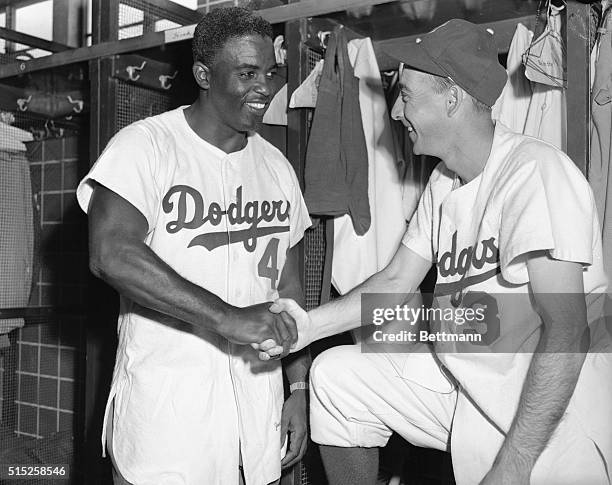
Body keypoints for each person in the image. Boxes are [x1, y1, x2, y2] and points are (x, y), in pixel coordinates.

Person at [258, 19, 612, 485]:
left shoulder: (535, 172)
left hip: (552, 414)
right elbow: (395, 281)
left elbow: (567, 334)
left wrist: (514, 465)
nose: (397, 112)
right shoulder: (444, 182)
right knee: (337, 376)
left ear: (453, 97)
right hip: (470, 388)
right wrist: (307, 327)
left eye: (406, 95)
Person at [76, 7, 311, 485]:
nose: (265, 87)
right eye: (247, 73)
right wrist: (229, 317)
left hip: (255, 406)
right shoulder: (145, 145)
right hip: (168, 415)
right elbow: (111, 253)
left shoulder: (277, 167)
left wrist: (299, 385)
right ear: (204, 74)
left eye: (271, 72)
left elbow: (289, 286)